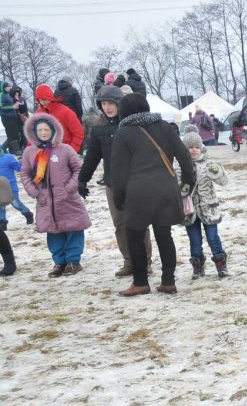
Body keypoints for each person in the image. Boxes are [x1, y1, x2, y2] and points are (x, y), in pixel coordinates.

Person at [110, 93, 196, 296]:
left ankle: (140, 282)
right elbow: (185, 157)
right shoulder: (164, 127)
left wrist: (118, 196)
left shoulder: (123, 133)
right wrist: (186, 184)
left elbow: (118, 170)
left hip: (138, 191)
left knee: (135, 235)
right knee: (164, 234)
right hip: (166, 188)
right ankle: (168, 281)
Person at [78, 84, 154, 277]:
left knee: (139, 222)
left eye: (111, 103)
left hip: (135, 180)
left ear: (120, 103)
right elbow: (93, 156)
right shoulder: (98, 128)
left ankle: (144, 261)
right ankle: (129, 260)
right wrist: (83, 179)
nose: (108, 107)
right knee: (120, 223)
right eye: (104, 103)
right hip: (112, 183)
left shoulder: (131, 124)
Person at [19, 114, 88, 276]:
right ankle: (59, 262)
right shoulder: (30, 152)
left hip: (67, 199)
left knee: (73, 229)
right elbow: (25, 174)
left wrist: (69, 188)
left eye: (46, 129)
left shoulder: (65, 149)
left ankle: (73, 261)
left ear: (53, 130)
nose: (43, 132)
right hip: (45, 201)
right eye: (40, 129)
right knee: (53, 232)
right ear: (34, 132)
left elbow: (78, 169)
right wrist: (34, 192)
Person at [180, 130, 229, 279]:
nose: (193, 150)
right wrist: (182, 189)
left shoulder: (209, 165)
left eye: (196, 147)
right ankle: (198, 266)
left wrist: (218, 172)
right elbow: (175, 187)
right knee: (194, 241)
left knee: (213, 238)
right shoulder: (180, 166)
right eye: (189, 147)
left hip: (209, 209)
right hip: (190, 211)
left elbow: (224, 182)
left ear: (201, 148)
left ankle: (221, 265)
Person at [33, 84, 83, 153]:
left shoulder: (65, 111)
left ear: (49, 97)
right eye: (40, 100)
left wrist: (71, 152)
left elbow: (78, 133)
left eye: (44, 99)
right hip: (44, 154)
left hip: (63, 152)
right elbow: (32, 135)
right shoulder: (38, 114)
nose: (42, 102)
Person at [0, 151, 34, 230]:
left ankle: (27, 214)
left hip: (10, 186)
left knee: (16, 204)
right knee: (0, 206)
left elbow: (19, 168)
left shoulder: (8, 157)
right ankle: (2, 223)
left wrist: (23, 162)